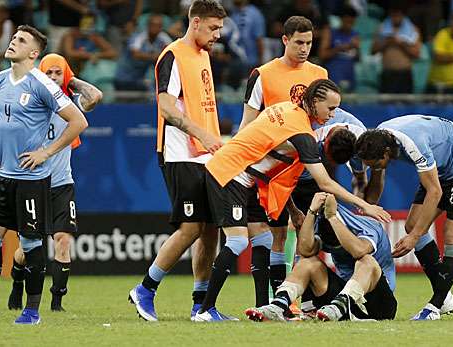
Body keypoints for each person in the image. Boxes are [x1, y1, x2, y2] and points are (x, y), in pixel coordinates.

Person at [192, 79, 391, 322]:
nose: (333, 114)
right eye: (330, 108)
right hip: (230, 172)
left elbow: (277, 171)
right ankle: (205, 310)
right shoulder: (303, 135)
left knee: (264, 238)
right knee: (237, 240)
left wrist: (294, 209)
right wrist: (366, 205)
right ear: (314, 102)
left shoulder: (287, 109)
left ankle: (268, 306)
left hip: (248, 179)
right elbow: (326, 183)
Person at [0, 25, 88, 325]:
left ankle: (31, 312)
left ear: (33, 53)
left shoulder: (42, 83)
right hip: (3, 177)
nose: (13, 42)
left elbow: (78, 121)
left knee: (30, 245)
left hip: (31, 179)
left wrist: (46, 152)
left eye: (21, 40)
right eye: (13, 38)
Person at [128, 0, 227, 322]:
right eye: (213, 28)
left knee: (211, 227)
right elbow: (167, 109)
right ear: (195, 22)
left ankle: (202, 305)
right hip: (179, 152)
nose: (218, 35)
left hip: (206, 154)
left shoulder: (203, 55)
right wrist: (203, 134)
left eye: (220, 29)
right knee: (190, 227)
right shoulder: (172, 55)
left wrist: (213, 141)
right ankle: (145, 289)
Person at [355, 114, 453, 320]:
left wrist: (414, 238)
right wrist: (366, 210)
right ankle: (445, 298)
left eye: (376, 164)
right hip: (441, 170)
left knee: (451, 233)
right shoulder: (378, 140)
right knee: (413, 225)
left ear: (387, 152)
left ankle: (435, 306)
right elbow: (376, 184)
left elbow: (435, 192)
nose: (374, 167)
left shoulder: (413, 143)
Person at [240, 16, 327, 299]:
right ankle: (275, 302)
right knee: (276, 236)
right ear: (285, 40)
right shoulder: (263, 74)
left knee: (310, 237)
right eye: (299, 42)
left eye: (309, 43)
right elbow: (248, 125)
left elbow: (326, 119)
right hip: (275, 169)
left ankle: (302, 301)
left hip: (309, 165)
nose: (304, 48)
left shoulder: (320, 74)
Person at [7, 53, 103, 312]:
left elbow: (95, 96)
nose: (52, 78)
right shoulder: (30, 101)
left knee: (63, 239)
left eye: (57, 73)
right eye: (47, 73)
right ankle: (17, 284)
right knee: (29, 247)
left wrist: (71, 81)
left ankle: (57, 302)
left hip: (62, 183)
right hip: (34, 182)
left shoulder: (70, 103)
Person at [245, 193, 397, 322]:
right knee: (308, 262)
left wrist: (332, 217)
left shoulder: (369, 226)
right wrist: (311, 211)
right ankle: (278, 306)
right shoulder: (323, 229)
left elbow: (359, 251)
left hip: (380, 304)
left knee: (366, 260)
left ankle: (340, 305)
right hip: (338, 306)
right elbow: (305, 250)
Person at [114, 13, 173, 91]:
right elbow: (135, 54)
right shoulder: (138, 37)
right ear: (148, 25)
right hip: (124, 77)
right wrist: (155, 56)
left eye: (158, 25)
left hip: (140, 78)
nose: (155, 28)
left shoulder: (164, 38)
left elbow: (171, 53)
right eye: (152, 25)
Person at [371, 5, 422, 94]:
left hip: (405, 75)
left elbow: (416, 54)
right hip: (387, 74)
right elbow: (373, 51)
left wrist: (401, 43)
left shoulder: (413, 30)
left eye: (398, 15)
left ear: (403, 16)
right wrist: (387, 42)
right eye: (393, 15)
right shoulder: (382, 29)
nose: (396, 18)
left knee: (405, 105)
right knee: (385, 105)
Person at [319, 6, 359, 92]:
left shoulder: (355, 35)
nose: (349, 24)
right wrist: (339, 48)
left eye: (351, 22)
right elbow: (322, 55)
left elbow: (358, 58)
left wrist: (357, 48)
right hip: (333, 75)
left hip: (349, 75)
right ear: (341, 19)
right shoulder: (330, 33)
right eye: (347, 21)